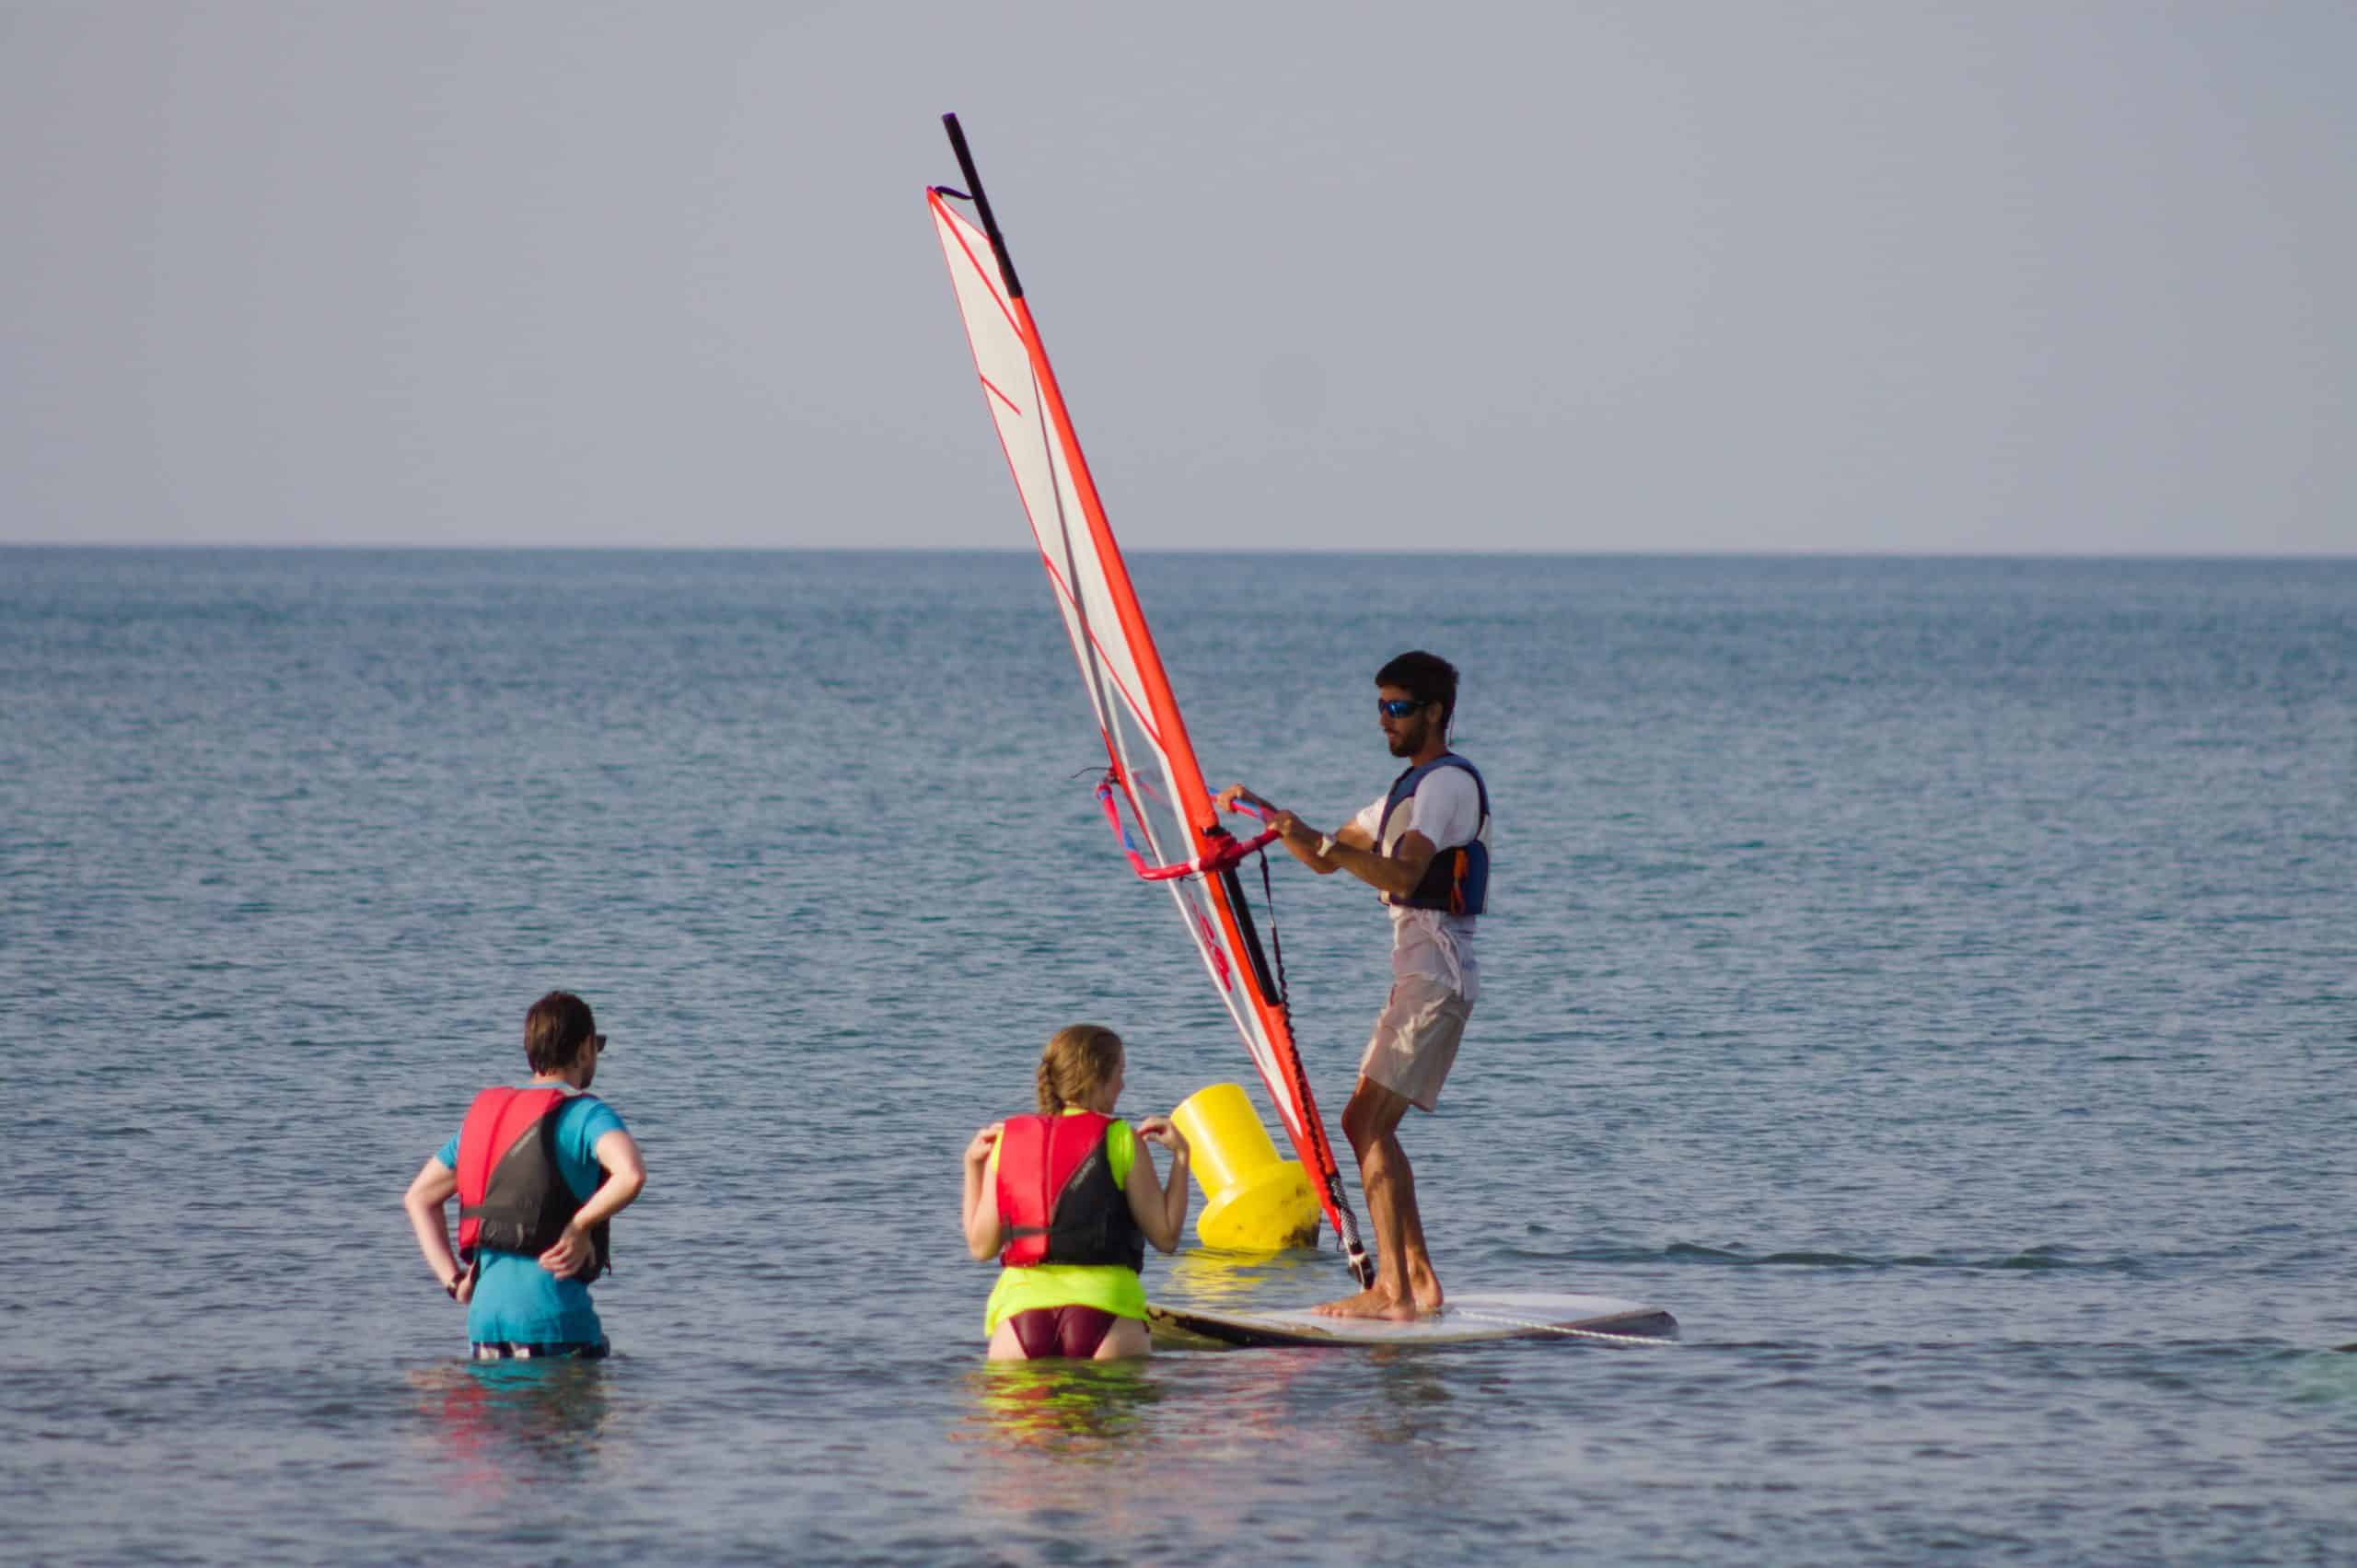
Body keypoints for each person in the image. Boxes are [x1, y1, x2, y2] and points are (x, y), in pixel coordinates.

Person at [1215, 649, 1490, 1321]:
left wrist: (1334, 849)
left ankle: (1394, 1289)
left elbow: (1401, 876)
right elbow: (1324, 858)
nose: (1384, 721)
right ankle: (1416, 1281)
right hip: (1419, 977)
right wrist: (1275, 818)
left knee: (1365, 1120)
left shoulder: (1444, 786)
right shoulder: (1397, 794)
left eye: (1398, 709)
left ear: (1435, 713)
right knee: (1366, 1121)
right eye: (1380, 708)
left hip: (1436, 976)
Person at [402, 991, 647, 1359]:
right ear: (584, 1050)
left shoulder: (485, 1122)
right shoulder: (586, 1116)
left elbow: (418, 1198)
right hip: (556, 1324)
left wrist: (455, 1282)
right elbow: (631, 1174)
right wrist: (580, 1226)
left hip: (485, 1325)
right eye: (596, 1046)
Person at [961, 1025, 1192, 1360]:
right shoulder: (1121, 1139)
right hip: (1107, 1313)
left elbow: (980, 1247)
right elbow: (1167, 1236)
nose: (1123, 1084)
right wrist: (1182, 1157)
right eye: (1120, 1072)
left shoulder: (1008, 1140)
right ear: (1098, 1077)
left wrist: (973, 1166)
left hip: (1020, 1321)